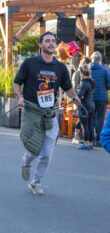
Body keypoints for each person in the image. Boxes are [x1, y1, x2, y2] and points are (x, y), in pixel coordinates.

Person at [13, 31, 81, 195]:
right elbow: (17, 83)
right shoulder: (29, 63)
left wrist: (76, 97)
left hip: (50, 114)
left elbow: (67, 87)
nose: (51, 43)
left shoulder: (60, 67)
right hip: (32, 111)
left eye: (53, 41)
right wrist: (20, 96)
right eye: (47, 41)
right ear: (40, 45)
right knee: (33, 147)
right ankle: (26, 161)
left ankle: (36, 182)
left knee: (47, 153)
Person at [90, 51, 110, 147]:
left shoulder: (88, 70)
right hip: (102, 97)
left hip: (90, 97)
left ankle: (90, 139)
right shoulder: (104, 70)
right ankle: (98, 139)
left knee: (91, 118)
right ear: (100, 60)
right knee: (100, 118)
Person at [77, 57, 95, 150]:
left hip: (85, 106)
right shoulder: (92, 82)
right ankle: (91, 143)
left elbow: (79, 95)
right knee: (90, 125)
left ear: (82, 73)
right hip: (92, 105)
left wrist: (75, 95)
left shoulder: (84, 83)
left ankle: (86, 143)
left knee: (85, 126)